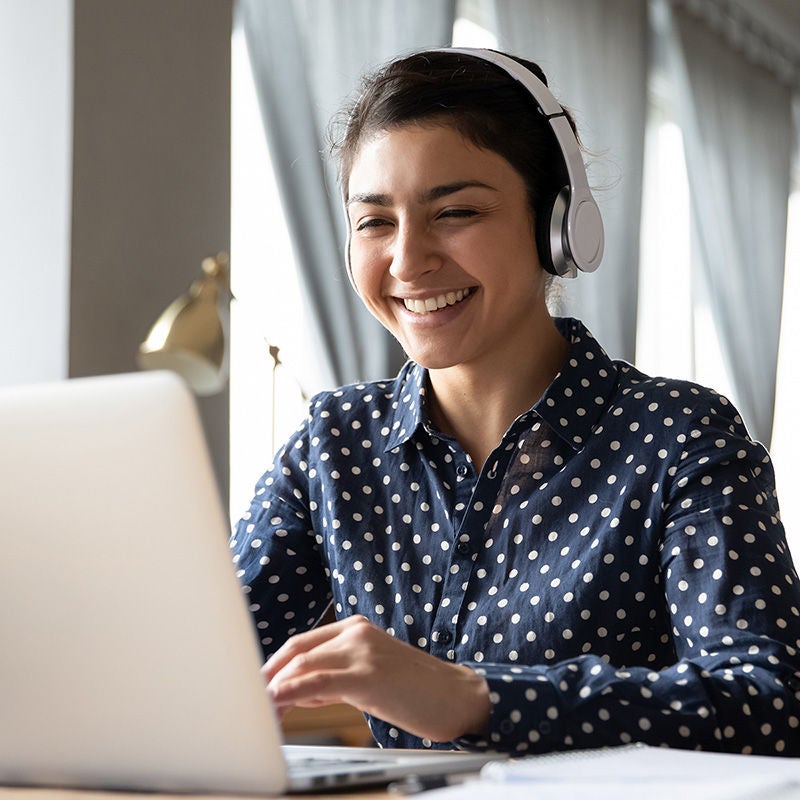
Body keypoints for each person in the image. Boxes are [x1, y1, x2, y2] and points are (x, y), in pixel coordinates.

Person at [230, 47, 800, 756]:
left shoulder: (679, 437)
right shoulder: (332, 445)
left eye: (457, 211)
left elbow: (770, 703)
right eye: (375, 222)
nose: (408, 261)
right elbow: (203, 665)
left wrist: (475, 698)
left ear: (558, 226)